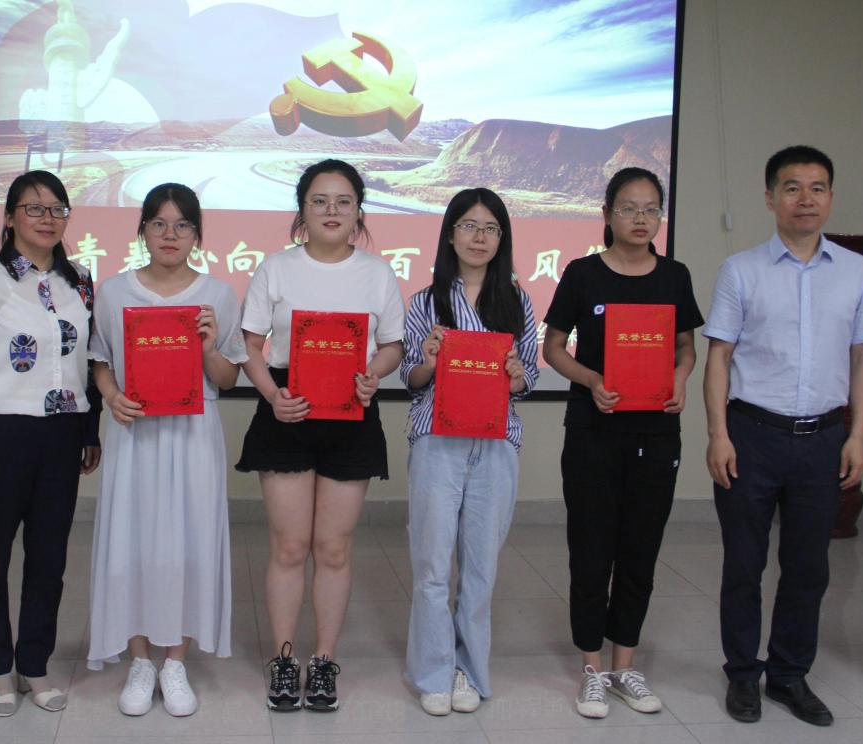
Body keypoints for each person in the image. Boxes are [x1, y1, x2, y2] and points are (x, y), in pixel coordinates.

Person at [703, 146, 863, 727]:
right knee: (744, 565)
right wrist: (718, 434)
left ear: (830, 197)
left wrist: (858, 436)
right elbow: (719, 356)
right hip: (751, 435)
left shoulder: (856, 272)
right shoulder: (741, 270)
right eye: (791, 188)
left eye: (817, 188)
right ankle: (742, 673)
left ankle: (788, 674)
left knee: (809, 567)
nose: (805, 199)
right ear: (770, 198)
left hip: (823, 439)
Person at [236, 159, 405, 712]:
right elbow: (250, 345)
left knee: (333, 548)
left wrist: (373, 374)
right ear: (302, 210)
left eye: (343, 201)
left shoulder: (377, 273)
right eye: (319, 201)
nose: (332, 211)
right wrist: (272, 396)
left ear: (358, 211)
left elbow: (392, 346)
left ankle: (325, 660)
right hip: (287, 409)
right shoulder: (276, 268)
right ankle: (285, 659)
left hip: (351, 413)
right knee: (289, 546)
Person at [543, 167, 703, 718]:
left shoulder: (674, 276)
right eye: (629, 208)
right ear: (607, 214)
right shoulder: (582, 274)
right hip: (593, 430)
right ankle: (592, 670)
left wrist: (681, 377)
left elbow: (686, 348)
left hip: (656, 432)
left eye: (651, 209)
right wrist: (591, 380)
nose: (641, 218)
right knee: (591, 550)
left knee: (640, 550)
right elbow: (554, 347)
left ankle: (624, 666)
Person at [0, 170, 102, 716]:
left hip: (62, 435)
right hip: (1, 434)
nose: (47, 218)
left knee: (49, 559)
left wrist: (90, 429)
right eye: (34, 208)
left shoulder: (81, 280)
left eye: (57, 208)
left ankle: (34, 664)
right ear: (9, 217)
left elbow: (89, 360)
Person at [86, 183, 247, 717]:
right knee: (130, 539)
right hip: (135, 432)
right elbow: (101, 361)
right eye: (159, 223)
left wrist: (207, 345)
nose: (170, 235)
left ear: (197, 234)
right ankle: (139, 659)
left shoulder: (218, 293)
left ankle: (175, 660)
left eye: (182, 225)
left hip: (192, 434)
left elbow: (227, 377)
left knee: (188, 539)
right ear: (142, 231)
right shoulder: (114, 292)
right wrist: (111, 396)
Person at [400, 188, 538, 716]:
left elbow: (528, 378)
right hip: (438, 441)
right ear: (450, 234)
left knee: (480, 570)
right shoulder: (425, 301)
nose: (479, 237)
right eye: (469, 226)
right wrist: (430, 359)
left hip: (496, 443)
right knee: (433, 566)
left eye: (490, 228)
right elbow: (411, 378)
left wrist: (517, 374)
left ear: (502, 238)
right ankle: (434, 672)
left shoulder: (517, 301)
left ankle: (469, 670)